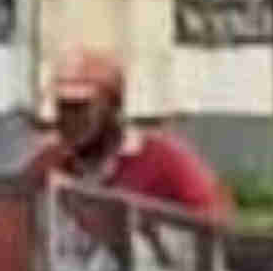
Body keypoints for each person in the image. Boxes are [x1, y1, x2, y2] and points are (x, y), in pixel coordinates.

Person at [22, 47, 235, 225]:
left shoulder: (165, 159)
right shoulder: (47, 162)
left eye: (80, 107)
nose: (69, 119)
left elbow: (214, 223)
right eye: (63, 107)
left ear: (113, 106)